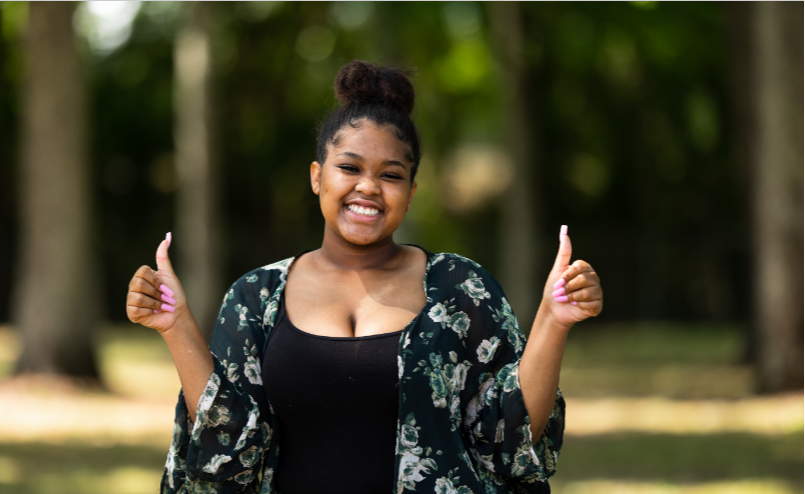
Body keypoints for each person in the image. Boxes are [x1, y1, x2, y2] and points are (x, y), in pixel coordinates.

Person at [126, 60, 603, 494]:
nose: (368, 187)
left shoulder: (462, 289)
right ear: (317, 176)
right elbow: (225, 448)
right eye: (349, 167)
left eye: (391, 175)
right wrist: (176, 325)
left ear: (411, 192)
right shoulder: (257, 296)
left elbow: (510, 438)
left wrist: (553, 319)